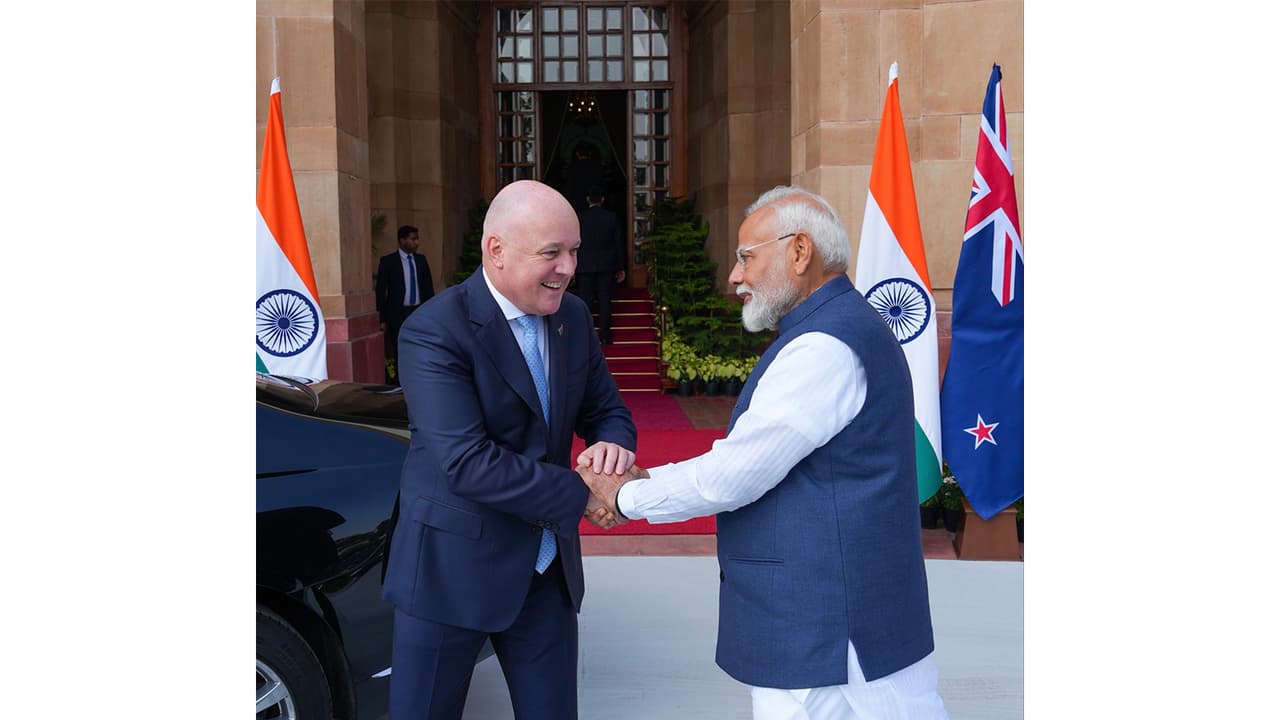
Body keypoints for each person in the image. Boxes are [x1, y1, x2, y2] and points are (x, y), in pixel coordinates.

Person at [579, 186, 949, 719]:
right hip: (845, 621)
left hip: (827, 630)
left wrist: (627, 496)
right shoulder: (842, 326)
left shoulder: (822, 346)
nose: (735, 275)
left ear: (799, 251)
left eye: (746, 257)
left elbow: (735, 474)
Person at [382, 179, 637, 720]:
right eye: (551, 253)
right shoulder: (434, 330)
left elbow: (606, 409)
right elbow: (468, 463)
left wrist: (612, 447)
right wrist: (584, 493)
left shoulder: (572, 318)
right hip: (449, 574)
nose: (569, 268)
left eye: (574, 251)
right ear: (496, 250)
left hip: (545, 573)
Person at [376, 225, 435, 385]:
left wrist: (431, 314)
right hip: (397, 313)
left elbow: (428, 288)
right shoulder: (388, 261)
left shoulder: (421, 260)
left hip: (418, 312)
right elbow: (381, 291)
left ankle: (420, 379)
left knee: (421, 346)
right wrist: (382, 318)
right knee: (398, 348)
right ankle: (401, 382)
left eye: (417, 239)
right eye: (413, 239)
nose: (417, 242)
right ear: (402, 241)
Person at [574, 185, 626, 345]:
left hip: (584, 265)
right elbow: (618, 243)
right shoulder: (611, 217)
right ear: (602, 199)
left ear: (587, 199)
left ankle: (585, 336)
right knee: (605, 299)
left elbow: (574, 243)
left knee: (585, 300)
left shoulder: (579, 218)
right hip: (606, 265)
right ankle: (605, 335)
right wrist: (621, 267)